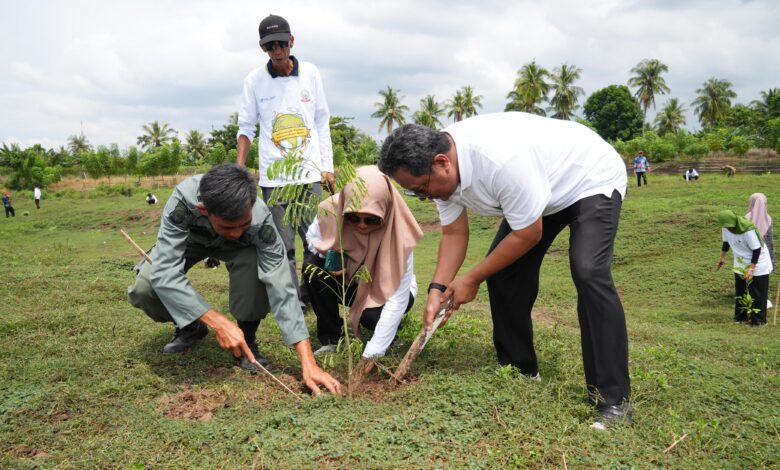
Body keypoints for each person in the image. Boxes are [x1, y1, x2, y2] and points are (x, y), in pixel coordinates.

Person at [377, 112, 631, 429]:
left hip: (588, 177)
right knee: (505, 274)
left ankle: (613, 401)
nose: (423, 196)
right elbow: (454, 234)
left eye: (421, 189)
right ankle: (520, 370)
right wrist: (436, 289)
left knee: (588, 270)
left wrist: (471, 277)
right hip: (539, 189)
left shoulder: (500, 161)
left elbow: (529, 234)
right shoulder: (439, 172)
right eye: (414, 192)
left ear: (442, 162)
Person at [127, 164, 341, 395]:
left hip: (239, 251)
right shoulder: (183, 201)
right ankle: (190, 325)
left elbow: (282, 287)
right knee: (144, 288)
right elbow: (165, 272)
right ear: (203, 210)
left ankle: (246, 339)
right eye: (229, 226)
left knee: (253, 262)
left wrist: (308, 363)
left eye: (244, 225)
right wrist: (216, 321)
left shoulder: (260, 219)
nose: (237, 232)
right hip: (189, 243)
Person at [236, 13, 334, 310]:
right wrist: (240, 169)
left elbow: (321, 120)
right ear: (262, 48)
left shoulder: (311, 74)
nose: (276, 51)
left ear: (291, 42)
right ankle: (293, 302)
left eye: (281, 44)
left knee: (314, 241)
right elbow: (246, 127)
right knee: (284, 245)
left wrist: (327, 165)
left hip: (309, 175)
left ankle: (313, 292)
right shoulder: (254, 81)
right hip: (274, 180)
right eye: (269, 46)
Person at [304, 165, 422, 359]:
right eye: (353, 218)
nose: (361, 225)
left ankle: (393, 329)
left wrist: (373, 353)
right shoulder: (331, 211)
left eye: (372, 220)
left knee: (371, 318)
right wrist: (336, 257)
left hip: (388, 288)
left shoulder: (399, 231)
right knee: (312, 268)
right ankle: (331, 338)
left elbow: (397, 295)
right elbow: (313, 239)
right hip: (351, 282)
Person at [716, 210, 773, 325]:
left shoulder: (748, 230)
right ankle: (740, 318)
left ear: (735, 221)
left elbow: (756, 250)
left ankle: (759, 321)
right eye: (726, 227)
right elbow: (726, 243)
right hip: (741, 261)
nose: (729, 229)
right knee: (741, 290)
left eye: (731, 227)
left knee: (758, 293)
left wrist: (751, 269)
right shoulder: (726, 227)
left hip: (758, 262)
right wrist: (722, 258)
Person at [746, 193, 775, 266]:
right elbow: (769, 240)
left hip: (749, 253)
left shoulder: (747, 218)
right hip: (764, 255)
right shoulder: (768, 219)